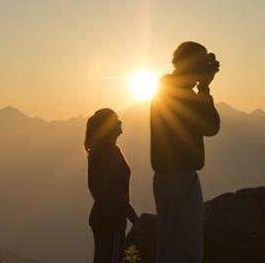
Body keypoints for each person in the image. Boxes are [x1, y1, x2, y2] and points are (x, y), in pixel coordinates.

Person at [149, 41, 221, 263]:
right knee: (187, 245)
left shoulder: (166, 89)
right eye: (199, 63)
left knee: (170, 242)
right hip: (180, 177)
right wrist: (205, 88)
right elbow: (211, 126)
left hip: (167, 176)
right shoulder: (180, 93)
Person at [86, 108, 137, 263]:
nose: (120, 122)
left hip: (105, 216)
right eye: (116, 120)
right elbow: (112, 190)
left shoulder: (102, 151)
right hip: (111, 219)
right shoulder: (107, 152)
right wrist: (132, 216)